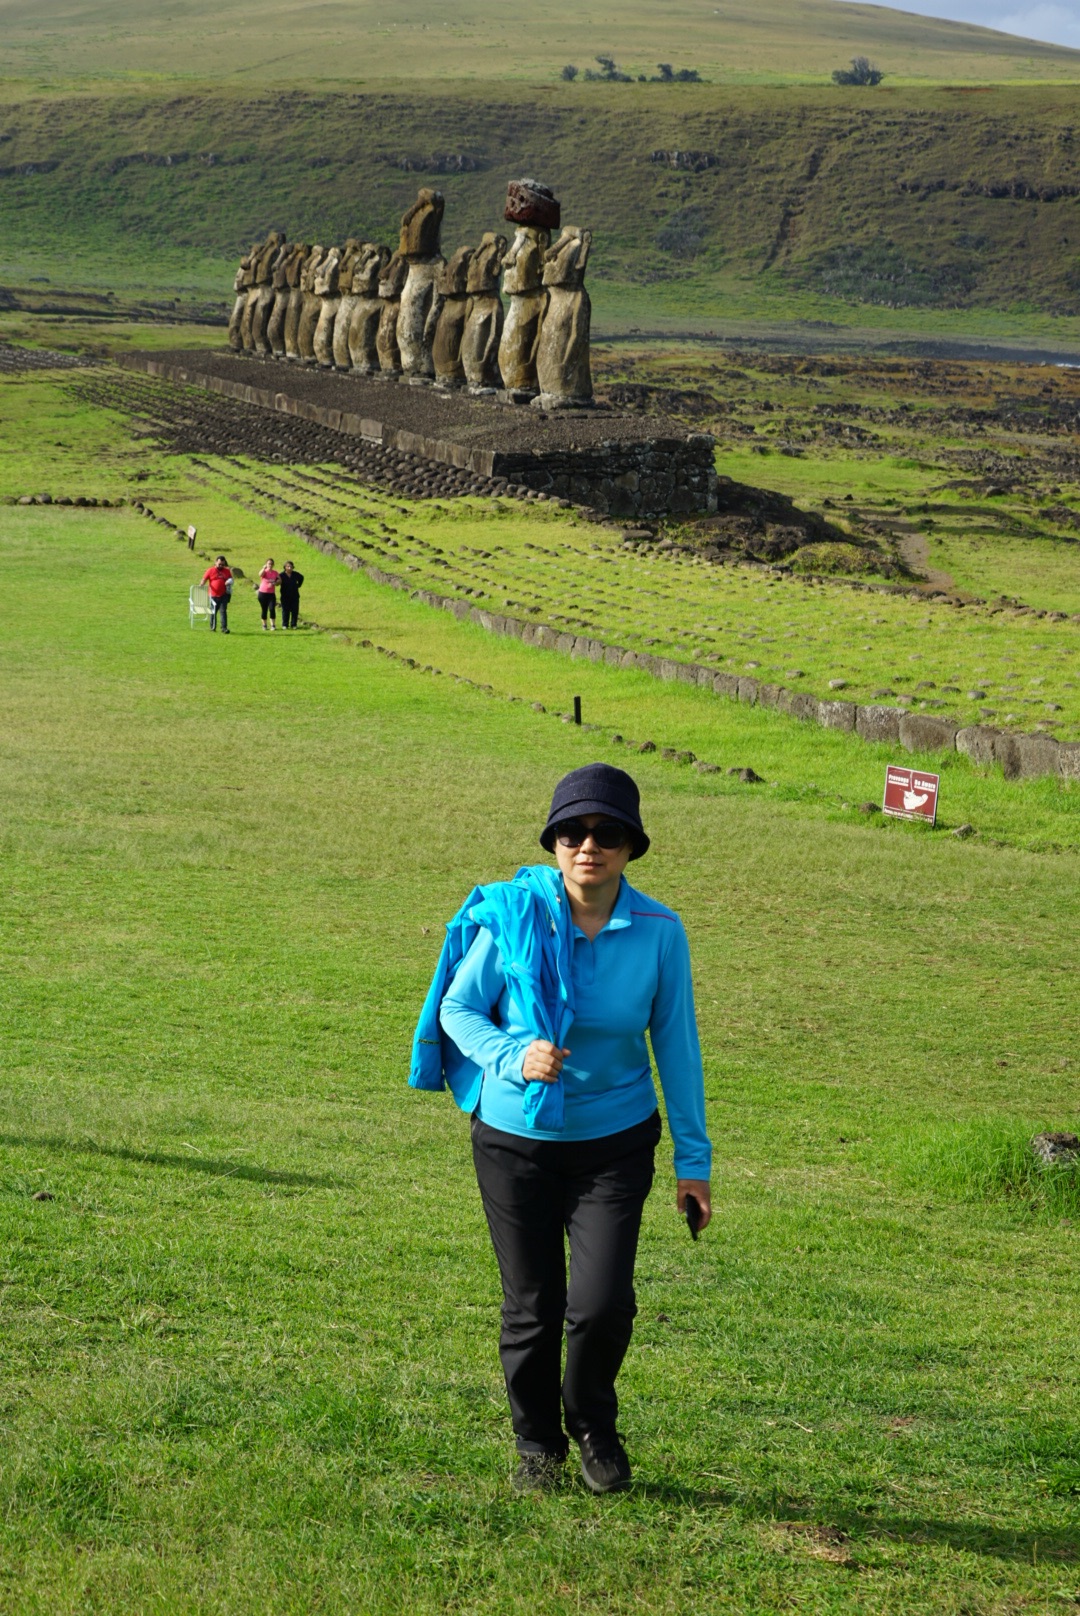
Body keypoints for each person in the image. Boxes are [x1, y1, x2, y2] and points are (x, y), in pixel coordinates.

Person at [411, 763, 712, 1495]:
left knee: (603, 1303)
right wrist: (514, 1055)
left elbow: (677, 1047)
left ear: (632, 848)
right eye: (573, 832)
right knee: (534, 1304)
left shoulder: (659, 933)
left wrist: (693, 1162)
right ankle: (536, 1443)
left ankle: (592, 1424)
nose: (589, 846)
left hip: (615, 1142)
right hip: (515, 1143)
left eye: (608, 834)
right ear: (553, 843)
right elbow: (458, 1010)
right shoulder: (515, 917)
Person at [202, 555, 232, 633]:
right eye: (219, 564)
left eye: (222, 564)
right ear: (215, 562)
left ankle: (224, 628)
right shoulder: (210, 570)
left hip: (224, 594)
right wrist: (201, 585)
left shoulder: (227, 571)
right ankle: (213, 627)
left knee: (223, 611)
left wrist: (229, 581)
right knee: (213, 612)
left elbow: (231, 579)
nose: (221, 565)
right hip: (213, 595)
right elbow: (204, 579)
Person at [279, 560, 304, 629]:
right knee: (285, 610)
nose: (289, 568)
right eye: (288, 566)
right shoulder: (281, 575)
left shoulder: (295, 574)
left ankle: (294, 624)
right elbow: (277, 581)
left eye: (291, 566)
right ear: (285, 567)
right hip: (285, 596)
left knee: (295, 610)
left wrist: (298, 585)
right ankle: (285, 624)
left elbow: (302, 578)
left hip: (295, 595)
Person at [257, 558, 280, 631]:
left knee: (272, 609)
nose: (270, 565)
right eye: (268, 563)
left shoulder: (275, 573)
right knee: (264, 609)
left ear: (273, 565)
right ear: (266, 564)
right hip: (262, 593)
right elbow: (260, 574)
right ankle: (264, 625)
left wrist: (275, 583)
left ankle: (273, 625)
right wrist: (263, 568)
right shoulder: (264, 572)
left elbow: (280, 580)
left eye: (271, 564)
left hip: (271, 594)